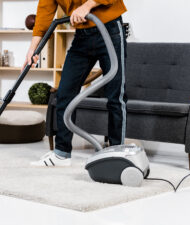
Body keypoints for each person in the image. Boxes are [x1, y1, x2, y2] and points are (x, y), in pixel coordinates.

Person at [22, 0, 128, 167]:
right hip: (82, 36)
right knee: (65, 93)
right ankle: (62, 154)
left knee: (115, 95)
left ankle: (116, 154)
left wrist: (87, 6)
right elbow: (44, 11)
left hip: (109, 30)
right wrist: (33, 49)